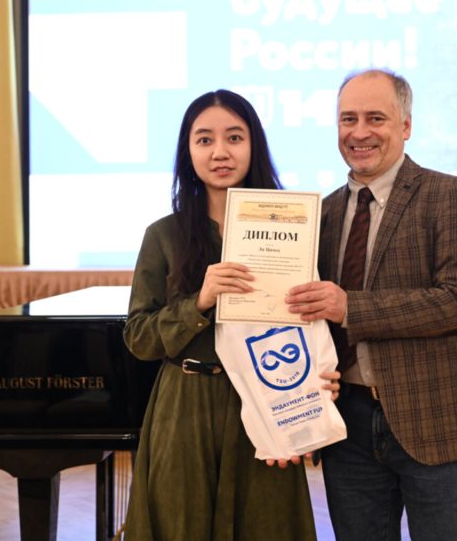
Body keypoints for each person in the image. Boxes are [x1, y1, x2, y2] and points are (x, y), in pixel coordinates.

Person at [286, 69, 457, 541]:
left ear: (405, 126)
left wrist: (351, 308)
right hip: (348, 425)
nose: (359, 132)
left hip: (437, 417)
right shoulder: (321, 214)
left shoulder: (450, 195)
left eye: (375, 118)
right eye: (348, 119)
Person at [123, 89, 338, 540]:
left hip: (268, 396)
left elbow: (312, 321)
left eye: (234, 137)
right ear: (188, 151)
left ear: (253, 145)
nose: (220, 152)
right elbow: (139, 337)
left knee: (267, 526)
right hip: (185, 407)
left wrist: (320, 378)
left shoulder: (296, 226)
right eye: (204, 139)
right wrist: (199, 302)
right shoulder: (163, 235)